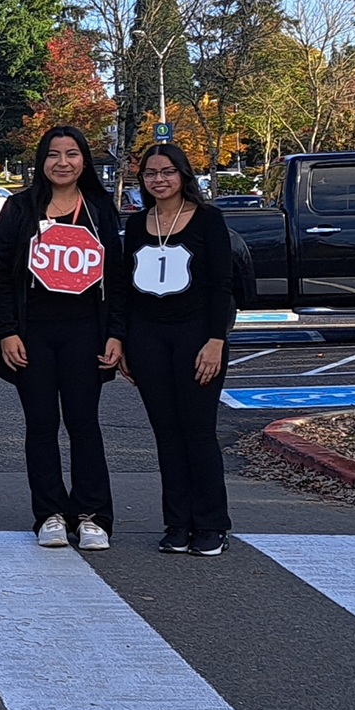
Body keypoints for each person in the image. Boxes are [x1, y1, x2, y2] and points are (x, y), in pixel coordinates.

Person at [0, 126, 126, 551]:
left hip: (86, 333)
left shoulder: (99, 208)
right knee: (41, 424)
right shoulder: (19, 208)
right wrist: (7, 331)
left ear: (84, 160)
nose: (62, 162)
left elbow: (118, 278)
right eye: (53, 154)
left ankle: (92, 515)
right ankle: (49, 514)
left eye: (71, 153)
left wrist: (116, 334)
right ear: (41, 161)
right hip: (33, 334)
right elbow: (0, 276)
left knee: (84, 424)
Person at [118, 144, 235, 557]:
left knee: (198, 432)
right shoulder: (137, 224)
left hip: (197, 337)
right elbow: (125, 289)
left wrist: (216, 340)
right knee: (166, 434)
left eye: (167, 171)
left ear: (184, 175)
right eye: (150, 173)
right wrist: (125, 342)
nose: (159, 180)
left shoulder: (208, 219)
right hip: (148, 338)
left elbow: (222, 285)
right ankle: (178, 523)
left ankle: (211, 523)